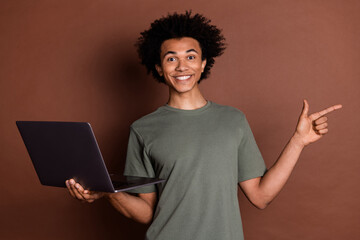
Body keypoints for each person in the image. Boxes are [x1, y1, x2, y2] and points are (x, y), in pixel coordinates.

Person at [66, 11, 342, 240]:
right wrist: (107, 192)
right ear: (160, 68)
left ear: (203, 63)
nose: (181, 66)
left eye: (190, 56)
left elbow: (260, 196)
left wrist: (298, 141)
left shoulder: (233, 120)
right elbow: (146, 212)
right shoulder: (143, 129)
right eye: (171, 58)